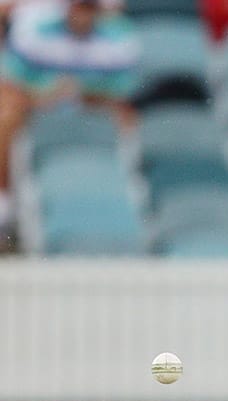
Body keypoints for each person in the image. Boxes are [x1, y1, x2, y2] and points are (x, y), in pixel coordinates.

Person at [0, 0, 138, 251]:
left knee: (131, 120)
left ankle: (130, 205)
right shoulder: (37, 36)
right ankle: (4, 202)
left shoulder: (117, 40)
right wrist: (47, 96)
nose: (81, 14)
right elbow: (12, 85)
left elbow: (122, 95)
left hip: (94, 114)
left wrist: (84, 94)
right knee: (5, 113)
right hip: (39, 113)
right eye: (78, 7)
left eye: (88, 8)